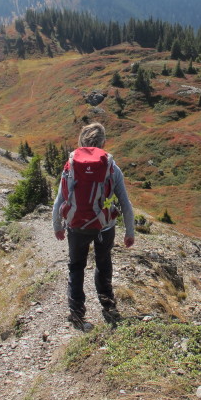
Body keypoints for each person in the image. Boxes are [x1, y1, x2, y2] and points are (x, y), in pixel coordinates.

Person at [52, 122, 135, 330]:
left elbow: (59, 199)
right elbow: (125, 202)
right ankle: (108, 306)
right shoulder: (111, 167)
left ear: (82, 141)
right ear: (103, 142)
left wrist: (57, 225)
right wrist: (130, 231)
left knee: (76, 266)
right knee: (103, 263)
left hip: (75, 225)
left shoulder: (71, 165)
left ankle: (77, 314)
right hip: (104, 227)